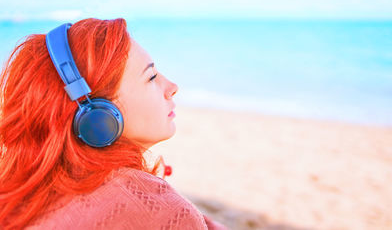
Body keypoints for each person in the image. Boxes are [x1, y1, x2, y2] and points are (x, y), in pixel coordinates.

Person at [0, 18, 228, 229]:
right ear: (96, 115)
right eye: (151, 77)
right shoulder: (159, 210)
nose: (172, 87)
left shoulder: (27, 189)